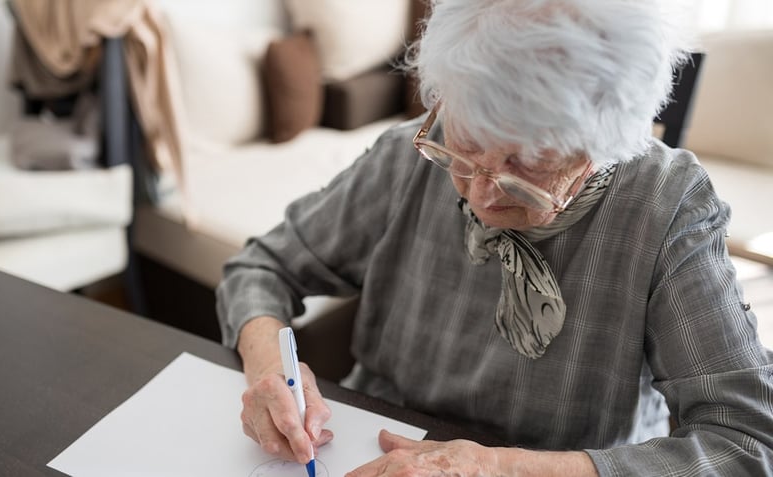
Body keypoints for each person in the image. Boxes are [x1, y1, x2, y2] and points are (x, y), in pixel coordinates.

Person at [216, 0, 773, 475]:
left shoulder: (665, 204)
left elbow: (748, 441)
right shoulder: (406, 155)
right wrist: (270, 371)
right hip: (368, 446)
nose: (481, 194)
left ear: (606, 138)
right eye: (464, 144)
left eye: (526, 163)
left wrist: (493, 466)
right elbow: (262, 268)